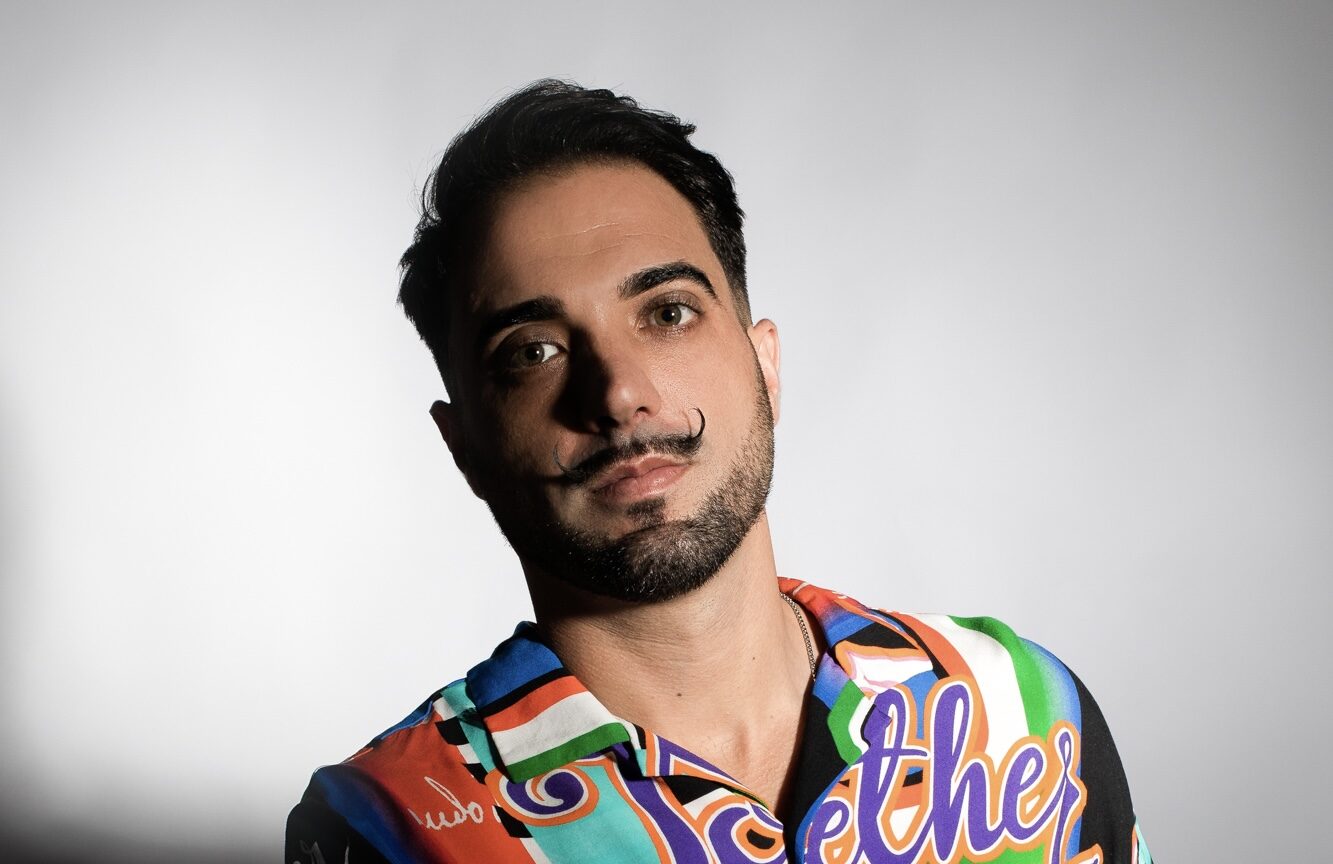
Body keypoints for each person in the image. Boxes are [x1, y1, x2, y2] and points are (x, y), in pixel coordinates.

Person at [286, 80, 1152, 864]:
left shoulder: (1021, 710)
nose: (618, 393)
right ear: (462, 446)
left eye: (666, 312)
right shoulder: (389, 824)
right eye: (533, 350)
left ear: (764, 365)